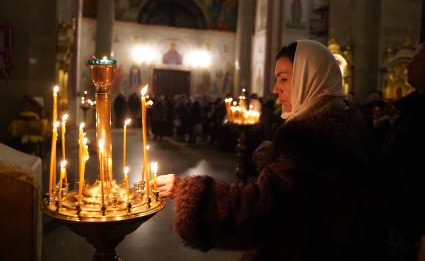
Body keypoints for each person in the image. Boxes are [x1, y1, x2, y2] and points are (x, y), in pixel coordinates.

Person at [156, 40, 390, 260]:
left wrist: (188, 191)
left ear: (310, 79)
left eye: (284, 79)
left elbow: (260, 209)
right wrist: (273, 160)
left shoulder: (311, 140)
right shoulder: (345, 124)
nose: (276, 88)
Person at [382, 43, 425, 261]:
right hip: (397, 209)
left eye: (416, 60)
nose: (408, 65)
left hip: (413, 215)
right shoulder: (411, 107)